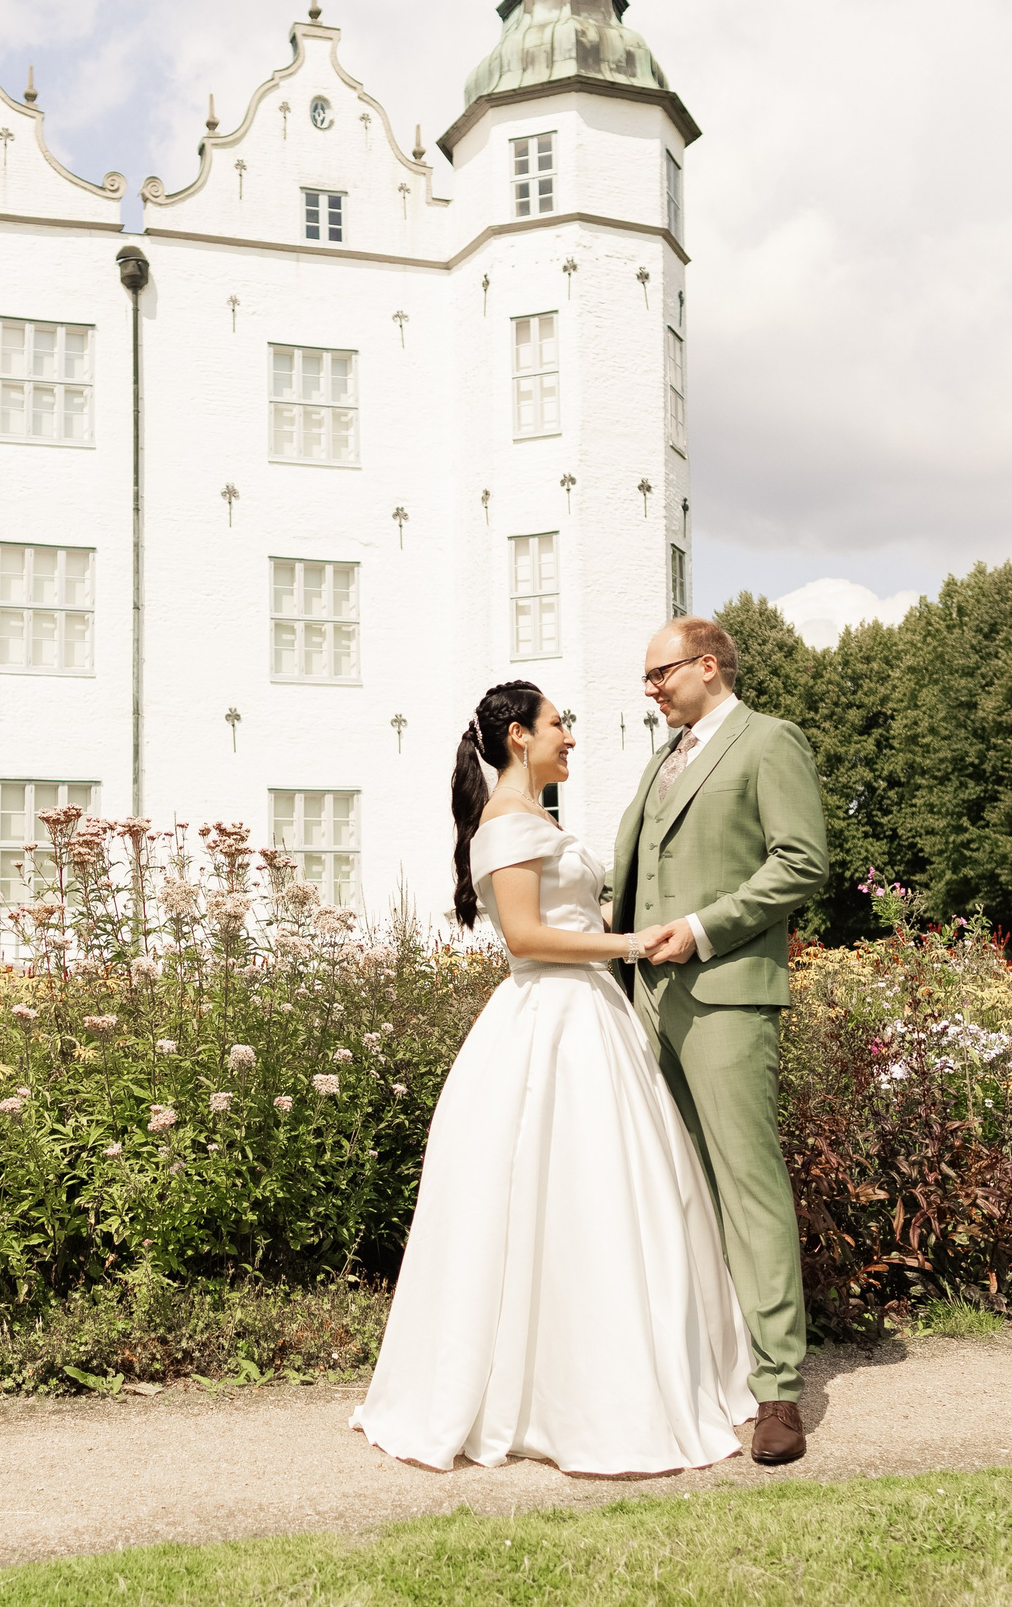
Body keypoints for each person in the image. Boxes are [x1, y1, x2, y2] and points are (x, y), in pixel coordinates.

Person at [351, 680, 758, 1476]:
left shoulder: (537, 818)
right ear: (516, 736)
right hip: (549, 1021)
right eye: (558, 723)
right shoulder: (505, 824)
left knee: (609, 1192)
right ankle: (552, 1394)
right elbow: (531, 938)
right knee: (561, 1190)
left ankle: (607, 1372)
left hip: (591, 1018)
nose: (569, 736)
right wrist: (633, 944)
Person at [615, 615, 830, 1465]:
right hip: (645, 999)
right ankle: (707, 1365)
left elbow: (801, 860)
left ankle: (779, 1390)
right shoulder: (660, 761)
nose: (650, 687)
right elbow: (636, 876)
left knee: (746, 1186)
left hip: (728, 996)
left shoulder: (770, 742)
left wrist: (703, 927)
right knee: (674, 1183)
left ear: (709, 665)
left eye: (660, 672)